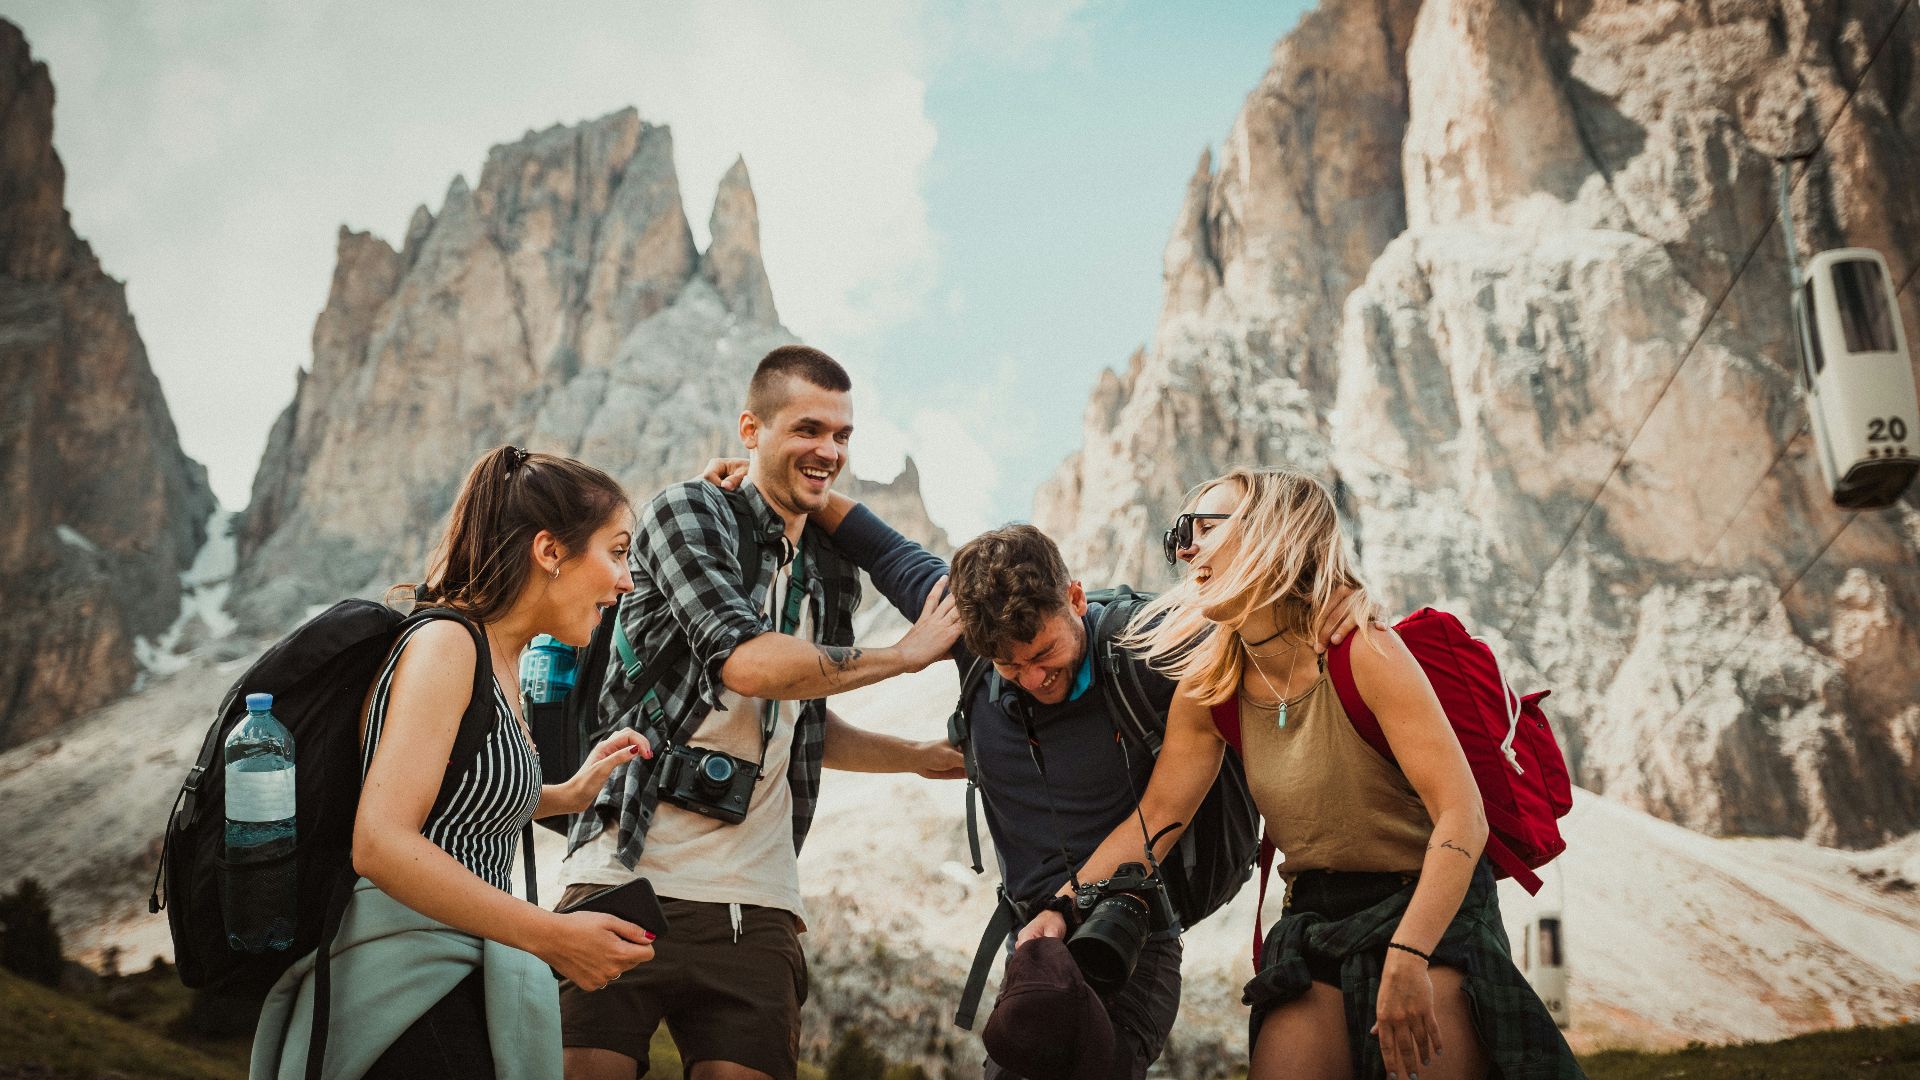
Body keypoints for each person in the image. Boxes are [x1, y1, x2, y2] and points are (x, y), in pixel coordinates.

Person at [692, 465, 1348, 1080]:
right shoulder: (968, 633)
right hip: (1033, 946)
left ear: (1076, 598)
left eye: (1045, 654)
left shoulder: (1148, 647)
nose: (1035, 680)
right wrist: (774, 478)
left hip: (1129, 938)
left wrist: (1344, 602)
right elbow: (882, 548)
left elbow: (1268, 616)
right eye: (1010, 667)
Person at [1061, 465, 1584, 1080]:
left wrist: (1411, 952)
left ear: (1273, 532)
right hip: (1314, 917)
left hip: (1428, 906)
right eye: (1181, 533)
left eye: (1206, 528)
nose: (1186, 550)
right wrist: (1058, 909)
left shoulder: (1364, 650)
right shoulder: (1209, 690)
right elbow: (1154, 823)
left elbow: (1461, 816)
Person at [558, 345, 965, 1080]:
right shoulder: (688, 512)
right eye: (808, 429)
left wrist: (914, 757)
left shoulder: (830, 568)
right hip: (624, 874)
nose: (830, 450)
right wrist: (904, 656)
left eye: (842, 435)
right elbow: (745, 662)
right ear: (751, 429)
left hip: (758, 903)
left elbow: (799, 717)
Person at [251, 445, 661, 1079]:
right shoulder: (448, 643)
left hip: (455, 972)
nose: (626, 581)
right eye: (616, 552)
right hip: (404, 988)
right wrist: (553, 935)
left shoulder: (500, 661)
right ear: (550, 552)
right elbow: (381, 842)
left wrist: (567, 793)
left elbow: (454, 795)